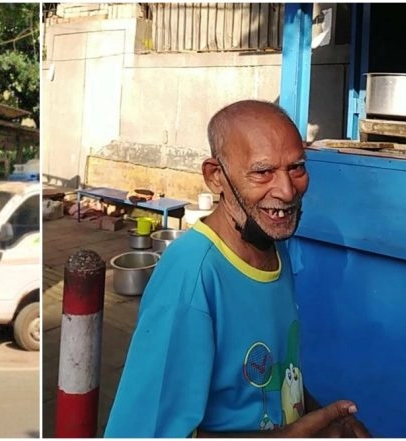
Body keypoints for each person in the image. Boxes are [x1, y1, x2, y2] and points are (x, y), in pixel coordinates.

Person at [105, 100, 371, 438]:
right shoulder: (191, 276)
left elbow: (272, 379)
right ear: (216, 177)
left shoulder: (274, 247)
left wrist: (326, 421)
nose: (287, 190)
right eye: (262, 172)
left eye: (297, 168)